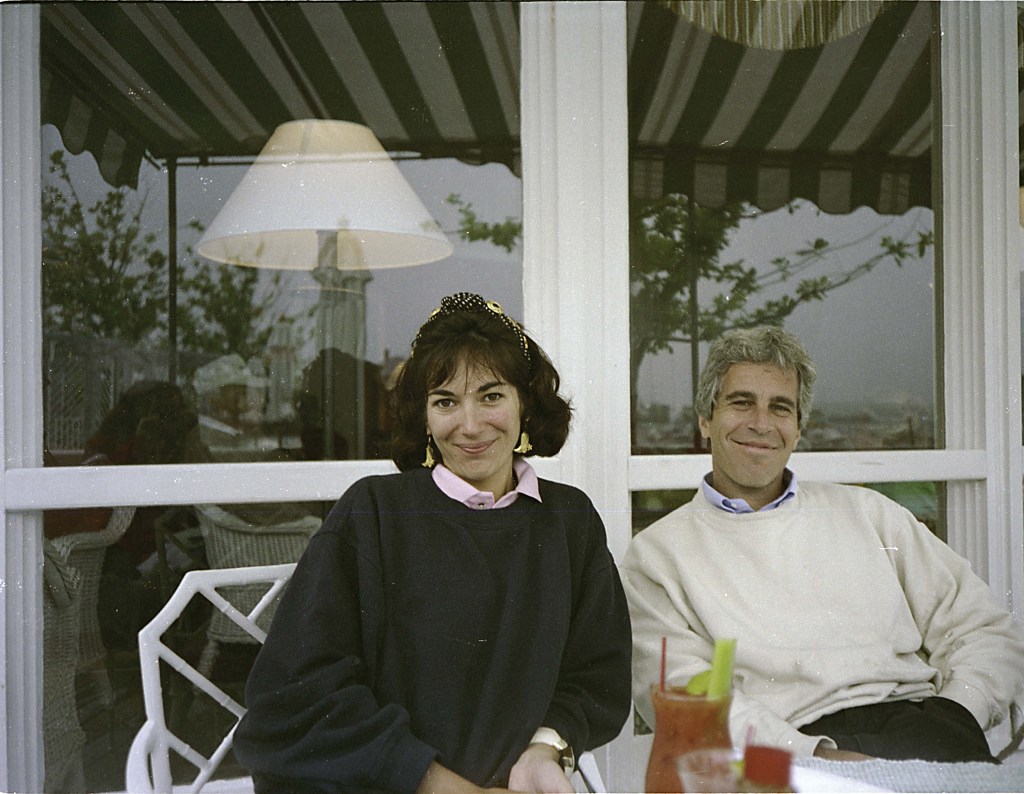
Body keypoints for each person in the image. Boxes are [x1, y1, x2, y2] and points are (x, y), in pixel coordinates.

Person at [234, 293, 632, 793]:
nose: (470, 425)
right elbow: (292, 698)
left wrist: (544, 748)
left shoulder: (569, 520)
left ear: (525, 403)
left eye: (491, 396)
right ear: (423, 416)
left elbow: (599, 676)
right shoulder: (373, 512)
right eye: (446, 401)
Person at [621, 325, 1024, 763]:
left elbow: (982, 626)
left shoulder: (870, 514)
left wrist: (960, 710)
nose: (761, 423)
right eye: (741, 402)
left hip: (925, 726)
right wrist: (812, 758)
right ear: (705, 419)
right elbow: (683, 692)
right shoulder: (657, 556)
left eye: (780, 408)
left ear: (798, 428)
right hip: (783, 758)